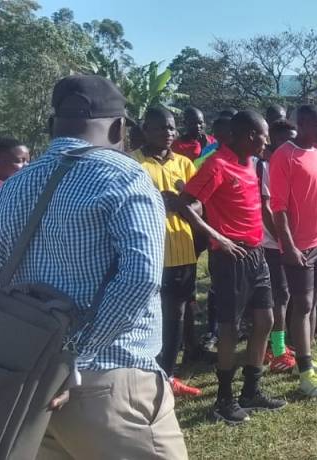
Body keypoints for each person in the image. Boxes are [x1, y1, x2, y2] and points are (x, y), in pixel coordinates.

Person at [0, 75, 186, 457]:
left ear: (53, 124)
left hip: (31, 387)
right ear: (119, 128)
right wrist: (74, 361)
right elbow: (140, 277)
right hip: (108, 380)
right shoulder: (126, 176)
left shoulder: (16, 184)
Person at [180, 110, 287, 425]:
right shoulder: (217, 164)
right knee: (230, 328)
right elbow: (185, 203)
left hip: (256, 253)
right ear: (251, 136)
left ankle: (251, 391)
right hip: (230, 259)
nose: (267, 142)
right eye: (265, 136)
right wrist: (218, 238)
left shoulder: (251, 163)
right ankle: (224, 399)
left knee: (265, 320)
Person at [130, 106, 202, 398]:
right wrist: (157, 204)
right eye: (161, 127)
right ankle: (143, 376)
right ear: (146, 130)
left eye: (171, 127)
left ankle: (168, 375)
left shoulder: (184, 164)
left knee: (176, 313)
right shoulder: (133, 163)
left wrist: (182, 205)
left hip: (182, 250)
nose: (168, 133)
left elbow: (200, 205)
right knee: (145, 316)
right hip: (147, 255)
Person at [269, 105, 317, 397]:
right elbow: (278, 208)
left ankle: (305, 359)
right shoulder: (284, 156)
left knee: (314, 300)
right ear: (303, 124)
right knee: (303, 305)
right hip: (300, 246)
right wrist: (289, 246)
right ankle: (306, 374)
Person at [261, 120, 299, 373]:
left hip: (287, 240)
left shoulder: (287, 164)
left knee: (284, 294)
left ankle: (276, 344)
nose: (291, 145)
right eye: (286, 140)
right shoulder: (266, 166)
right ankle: (277, 351)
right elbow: (266, 208)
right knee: (279, 295)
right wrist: (282, 239)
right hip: (273, 243)